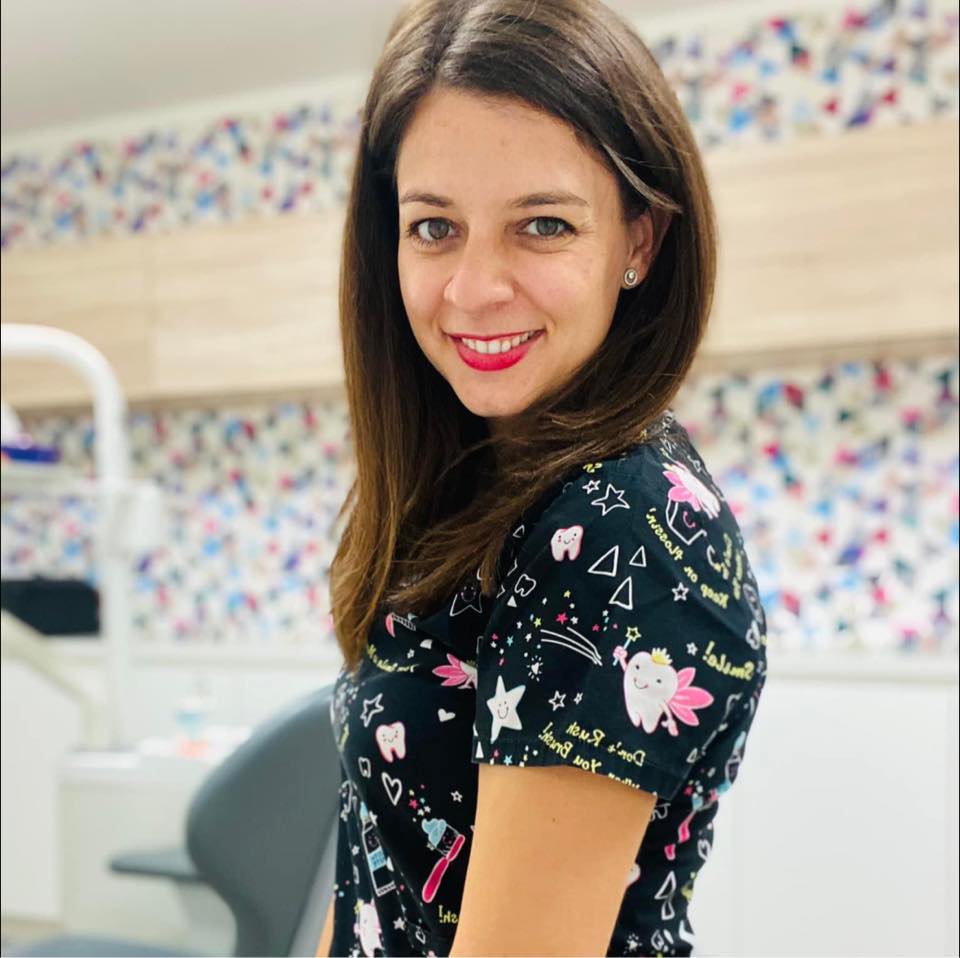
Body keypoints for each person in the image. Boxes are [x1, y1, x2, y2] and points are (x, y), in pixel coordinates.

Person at [317, 0, 768, 955]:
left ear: (639, 241)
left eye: (544, 224)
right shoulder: (468, 488)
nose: (475, 287)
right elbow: (369, 878)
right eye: (434, 227)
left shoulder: (622, 530)